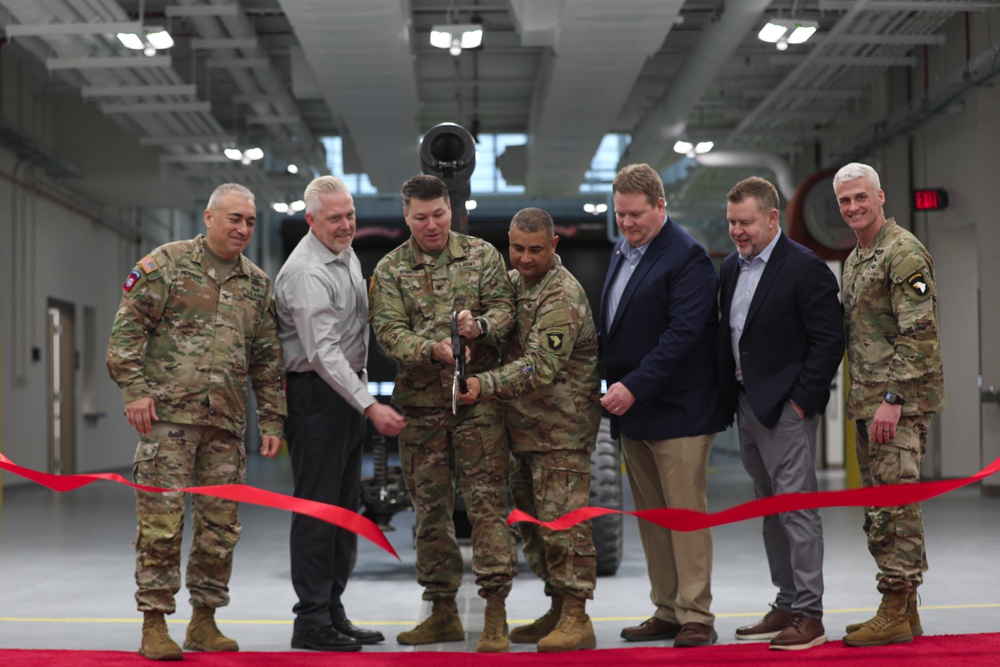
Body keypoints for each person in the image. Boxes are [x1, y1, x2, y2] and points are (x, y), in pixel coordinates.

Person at [107, 183, 287, 661]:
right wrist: (135, 392)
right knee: (161, 525)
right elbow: (125, 335)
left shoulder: (256, 283)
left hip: (225, 426)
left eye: (249, 221)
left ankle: (204, 621)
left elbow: (267, 360)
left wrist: (272, 420)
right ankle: (154, 624)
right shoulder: (166, 266)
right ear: (208, 218)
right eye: (234, 219)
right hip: (168, 422)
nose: (243, 229)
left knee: (220, 528)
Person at [368, 174, 517, 653]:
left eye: (439, 215)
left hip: (475, 403)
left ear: (451, 210)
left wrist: (483, 326)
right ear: (406, 216)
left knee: (487, 506)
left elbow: (506, 309)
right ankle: (442, 611)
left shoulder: (481, 254)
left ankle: (496, 612)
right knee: (429, 513)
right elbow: (387, 332)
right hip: (422, 409)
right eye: (420, 217)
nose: (431, 225)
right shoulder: (390, 270)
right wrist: (432, 349)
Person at [458, 207, 601, 652]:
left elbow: (542, 366)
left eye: (534, 250)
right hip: (523, 431)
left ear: (553, 246)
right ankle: (558, 608)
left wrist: (484, 385)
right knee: (536, 531)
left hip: (561, 432)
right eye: (516, 247)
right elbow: (502, 328)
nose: (523, 257)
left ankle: (577, 616)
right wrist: (475, 329)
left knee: (565, 526)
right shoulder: (517, 283)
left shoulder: (560, 295)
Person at [274, 176, 406, 652]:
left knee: (344, 509)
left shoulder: (343, 253)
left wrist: (362, 395)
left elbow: (355, 337)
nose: (346, 225)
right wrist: (370, 404)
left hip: (344, 393)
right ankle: (310, 620)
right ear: (311, 221)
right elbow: (324, 353)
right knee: (317, 510)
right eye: (335, 218)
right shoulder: (307, 271)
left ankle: (332, 610)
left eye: (349, 215)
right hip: (315, 396)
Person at [598, 163, 726, 648]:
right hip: (637, 413)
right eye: (620, 215)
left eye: (636, 215)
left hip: (680, 411)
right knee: (653, 519)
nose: (628, 224)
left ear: (660, 206)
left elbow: (683, 336)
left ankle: (696, 615)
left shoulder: (687, 257)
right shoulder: (623, 250)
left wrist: (632, 385)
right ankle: (667, 609)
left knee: (685, 517)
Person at [717, 176, 845, 650]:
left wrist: (800, 403)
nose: (737, 231)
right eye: (731, 222)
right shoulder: (731, 267)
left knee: (796, 511)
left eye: (745, 222)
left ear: (772, 218)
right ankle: (787, 602)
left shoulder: (804, 267)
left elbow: (829, 341)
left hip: (786, 410)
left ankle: (810, 614)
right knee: (771, 510)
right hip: (748, 404)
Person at [834, 162, 946, 647]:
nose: (853, 207)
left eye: (861, 197)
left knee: (896, 505)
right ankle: (906, 611)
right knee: (879, 506)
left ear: (881, 197)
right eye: (845, 201)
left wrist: (894, 400)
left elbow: (920, 332)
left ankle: (896, 606)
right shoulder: (857, 258)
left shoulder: (902, 252)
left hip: (896, 404)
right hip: (868, 402)